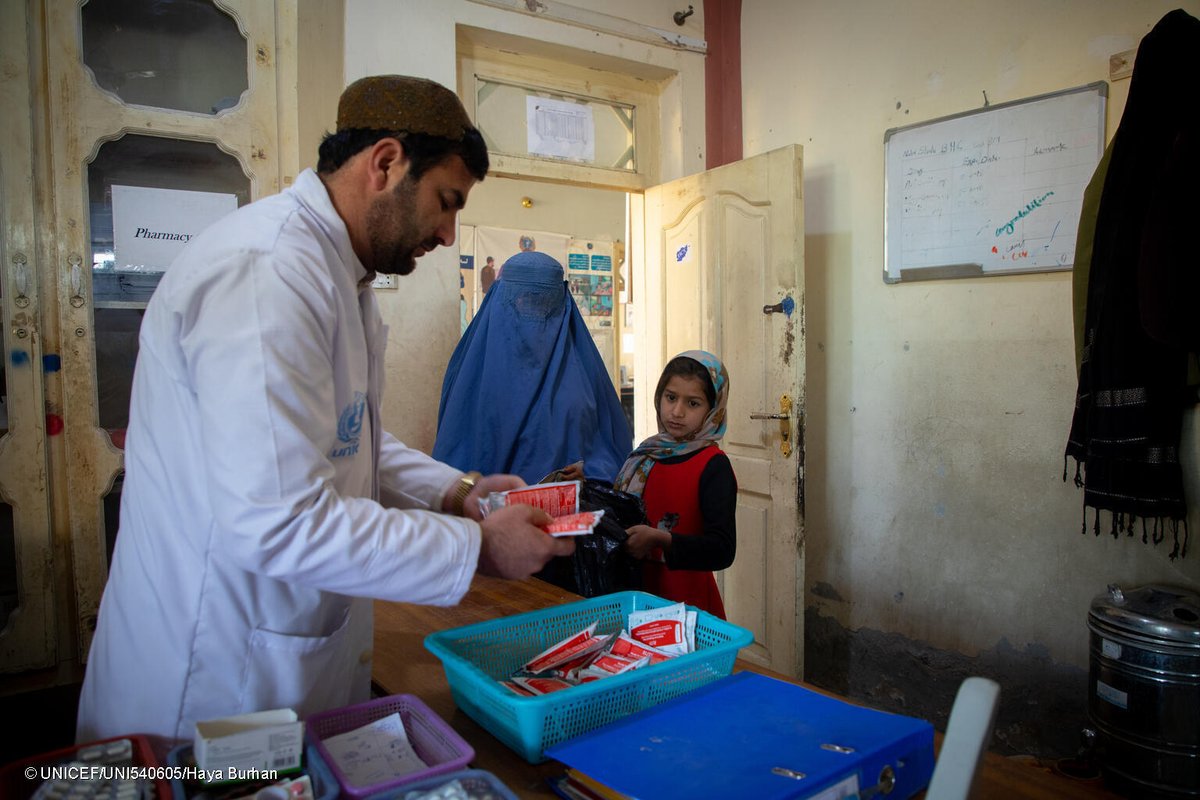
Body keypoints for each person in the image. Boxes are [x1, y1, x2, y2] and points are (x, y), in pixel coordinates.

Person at [76, 75, 574, 741]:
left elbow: (350, 437)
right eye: (445, 202)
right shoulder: (268, 273)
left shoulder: (339, 272)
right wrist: (477, 546)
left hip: (281, 655)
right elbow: (277, 520)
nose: (450, 235)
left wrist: (459, 492)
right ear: (387, 163)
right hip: (210, 676)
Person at [432, 250, 631, 486]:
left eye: (545, 303)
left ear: (563, 301)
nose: (534, 314)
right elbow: (451, 459)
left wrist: (591, 473)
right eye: (523, 301)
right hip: (490, 514)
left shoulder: (586, 373)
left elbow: (611, 452)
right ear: (499, 298)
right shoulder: (470, 374)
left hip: (570, 514)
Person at [613, 351, 736, 618]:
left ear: (713, 410)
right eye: (671, 398)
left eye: (693, 403)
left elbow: (722, 550)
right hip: (637, 598)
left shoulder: (713, 465)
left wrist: (661, 539)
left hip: (688, 607)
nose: (677, 412)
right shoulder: (644, 456)